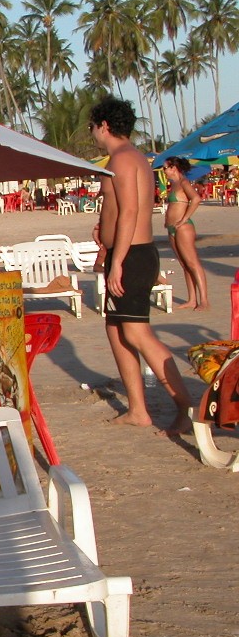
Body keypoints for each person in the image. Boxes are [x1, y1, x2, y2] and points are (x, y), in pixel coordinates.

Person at [89, 96, 192, 434]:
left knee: (136, 331)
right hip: (129, 251)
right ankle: (138, 409)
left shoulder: (122, 160)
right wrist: (105, 238)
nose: (92, 133)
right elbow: (120, 211)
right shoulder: (133, 158)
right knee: (116, 328)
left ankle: (186, 406)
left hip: (131, 255)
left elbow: (131, 212)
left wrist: (116, 261)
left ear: (104, 126)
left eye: (92, 127)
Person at [162, 156, 208, 310]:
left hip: (183, 228)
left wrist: (184, 219)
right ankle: (192, 299)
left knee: (193, 263)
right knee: (184, 264)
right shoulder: (174, 184)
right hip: (172, 228)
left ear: (173, 168)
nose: (164, 171)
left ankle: (204, 300)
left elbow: (196, 199)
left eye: (165, 168)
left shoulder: (183, 182)